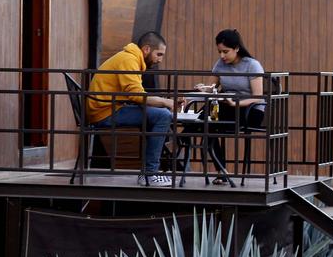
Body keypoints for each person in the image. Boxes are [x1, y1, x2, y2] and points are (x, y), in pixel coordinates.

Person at [86, 31, 177, 186]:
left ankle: (147, 172)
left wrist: (163, 102)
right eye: (159, 54)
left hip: (109, 107)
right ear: (146, 49)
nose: (159, 60)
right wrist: (166, 102)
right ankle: (149, 174)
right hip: (104, 112)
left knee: (157, 116)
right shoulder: (129, 60)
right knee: (163, 116)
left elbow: (134, 95)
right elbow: (136, 96)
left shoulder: (130, 58)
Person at [196, 29, 267, 175]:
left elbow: (258, 96)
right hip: (228, 107)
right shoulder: (220, 64)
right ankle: (221, 171)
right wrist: (202, 88)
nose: (222, 56)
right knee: (205, 120)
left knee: (207, 120)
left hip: (250, 110)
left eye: (226, 51)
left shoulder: (252, 65)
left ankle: (178, 142)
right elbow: (212, 89)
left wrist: (236, 103)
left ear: (236, 48)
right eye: (219, 52)